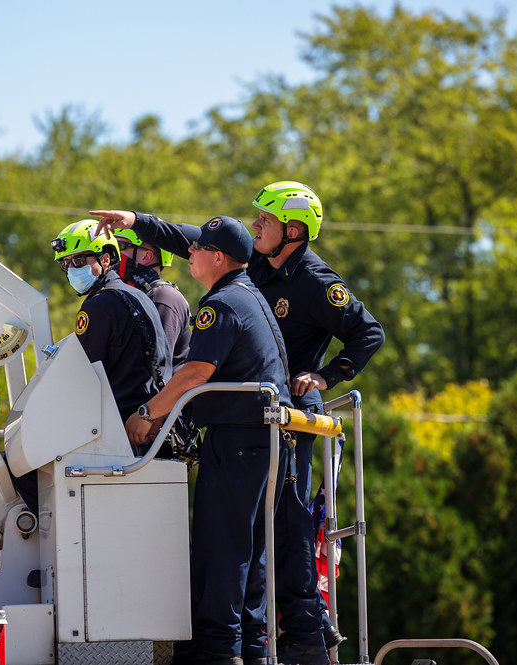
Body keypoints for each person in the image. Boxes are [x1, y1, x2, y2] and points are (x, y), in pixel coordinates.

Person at [94, 181, 383, 658]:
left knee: (284, 534)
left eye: (265, 221)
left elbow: (367, 332)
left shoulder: (313, 281)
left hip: (287, 419)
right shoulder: (255, 272)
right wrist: (137, 222)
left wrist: (325, 376)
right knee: (258, 542)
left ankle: (306, 637)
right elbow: (196, 240)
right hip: (258, 420)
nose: (256, 226)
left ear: (293, 231)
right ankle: (260, 641)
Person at [123, 215, 326, 665]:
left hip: (238, 443)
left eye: (197, 249)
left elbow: (197, 372)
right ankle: (248, 649)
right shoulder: (247, 292)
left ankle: (216, 650)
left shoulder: (223, 304)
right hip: (266, 444)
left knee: (223, 549)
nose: (189, 253)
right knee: (249, 553)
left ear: (216, 257)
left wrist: (147, 414)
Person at [50, 219, 172, 438]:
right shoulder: (138, 296)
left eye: (78, 260)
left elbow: (82, 375)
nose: (71, 270)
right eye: (65, 264)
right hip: (149, 424)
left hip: (117, 429)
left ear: (105, 258)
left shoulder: (98, 306)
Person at [111, 228, 192, 370]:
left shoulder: (163, 297)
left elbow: (155, 365)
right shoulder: (130, 295)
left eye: (120, 247)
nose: (114, 254)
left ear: (147, 256)